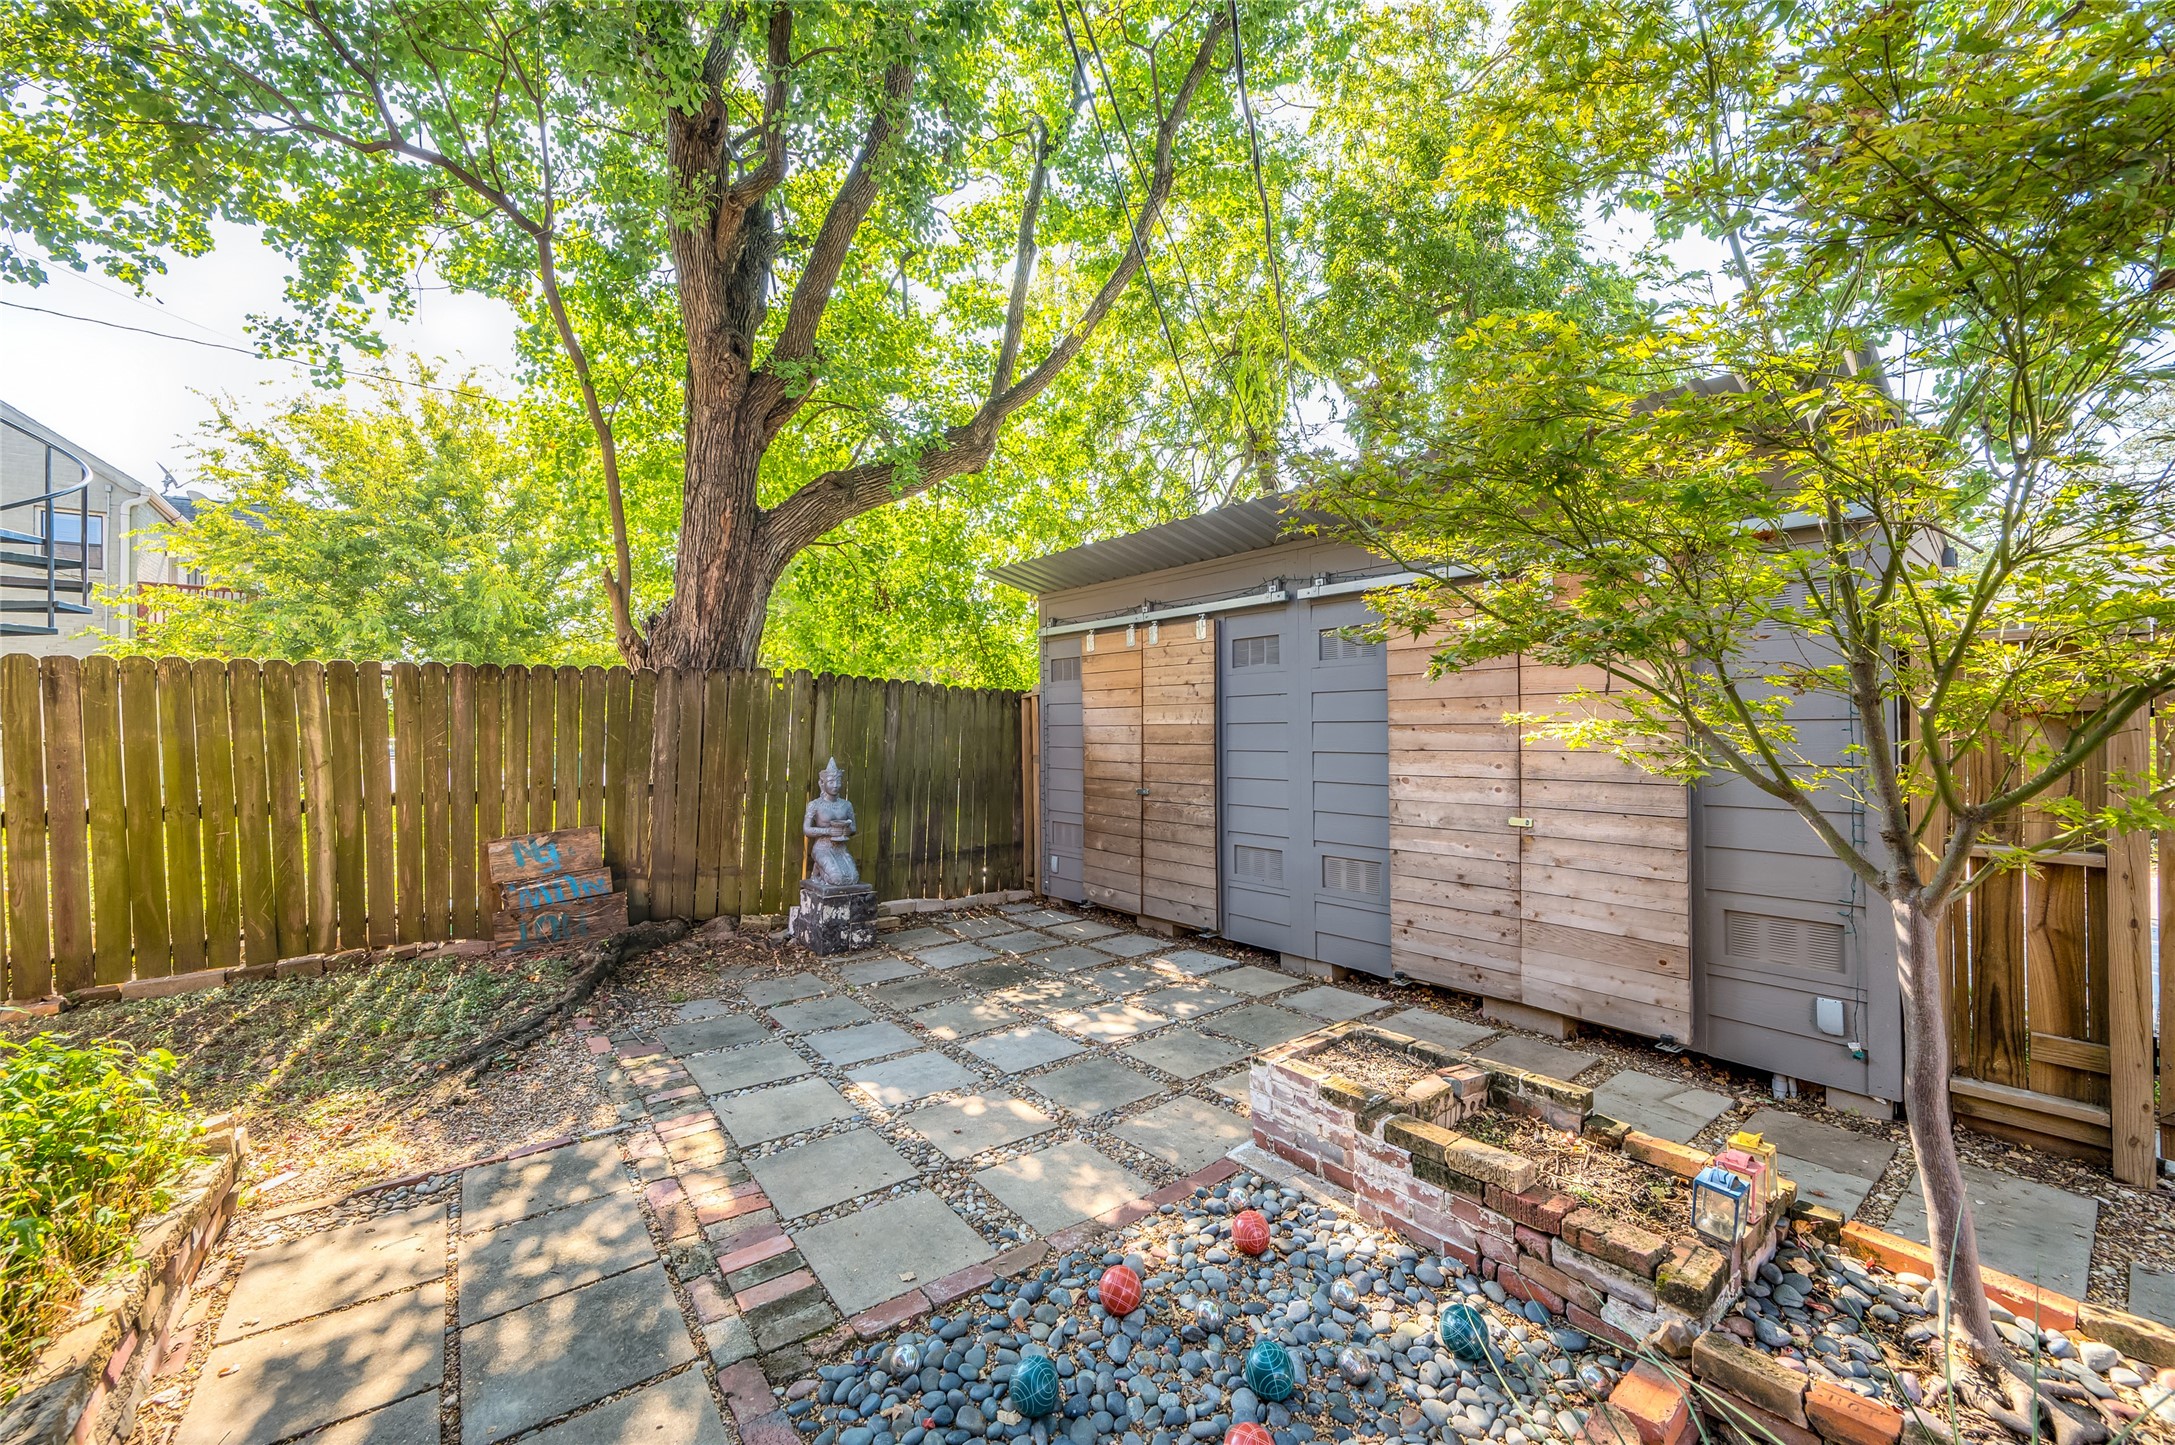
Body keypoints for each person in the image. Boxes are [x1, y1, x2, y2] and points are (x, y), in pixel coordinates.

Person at [802, 757, 860, 885]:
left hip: (840, 847)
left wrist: (845, 829)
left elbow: (854, 828)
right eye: (831, 781)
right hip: (822, 847)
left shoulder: (846, 805)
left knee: (852, 878)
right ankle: (818, 872)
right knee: (837, 879)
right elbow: (806, 830)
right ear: (822, 783)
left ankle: (820, 870)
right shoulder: (815, 805)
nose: (836, 785)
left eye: (838, 781)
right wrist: (829, 831)